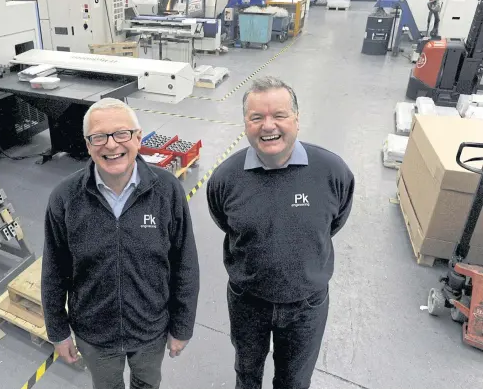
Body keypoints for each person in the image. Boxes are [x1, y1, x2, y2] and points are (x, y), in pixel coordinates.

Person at [207, 77, 355, 389]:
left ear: (297, 120)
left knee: (294, 382)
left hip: (307, 306)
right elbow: (226, 222)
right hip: (247, 302)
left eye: (279, 115)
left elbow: (334, 222)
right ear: (245, 123)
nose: (268, 126)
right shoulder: (225, 178)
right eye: (256, 117)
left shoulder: (331, 171)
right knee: (246, 374)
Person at [42, 97, 200, 389]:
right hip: (94, 335)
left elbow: (185, 264)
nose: (111, 145)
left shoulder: (167, 191)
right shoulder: (64, 198)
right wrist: (58, 331)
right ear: (88, 145)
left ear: (138, 138)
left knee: (147, 384)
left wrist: (182, 326)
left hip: (151, 330)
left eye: (122, 134)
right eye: (99, 137)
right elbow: (54, 271)